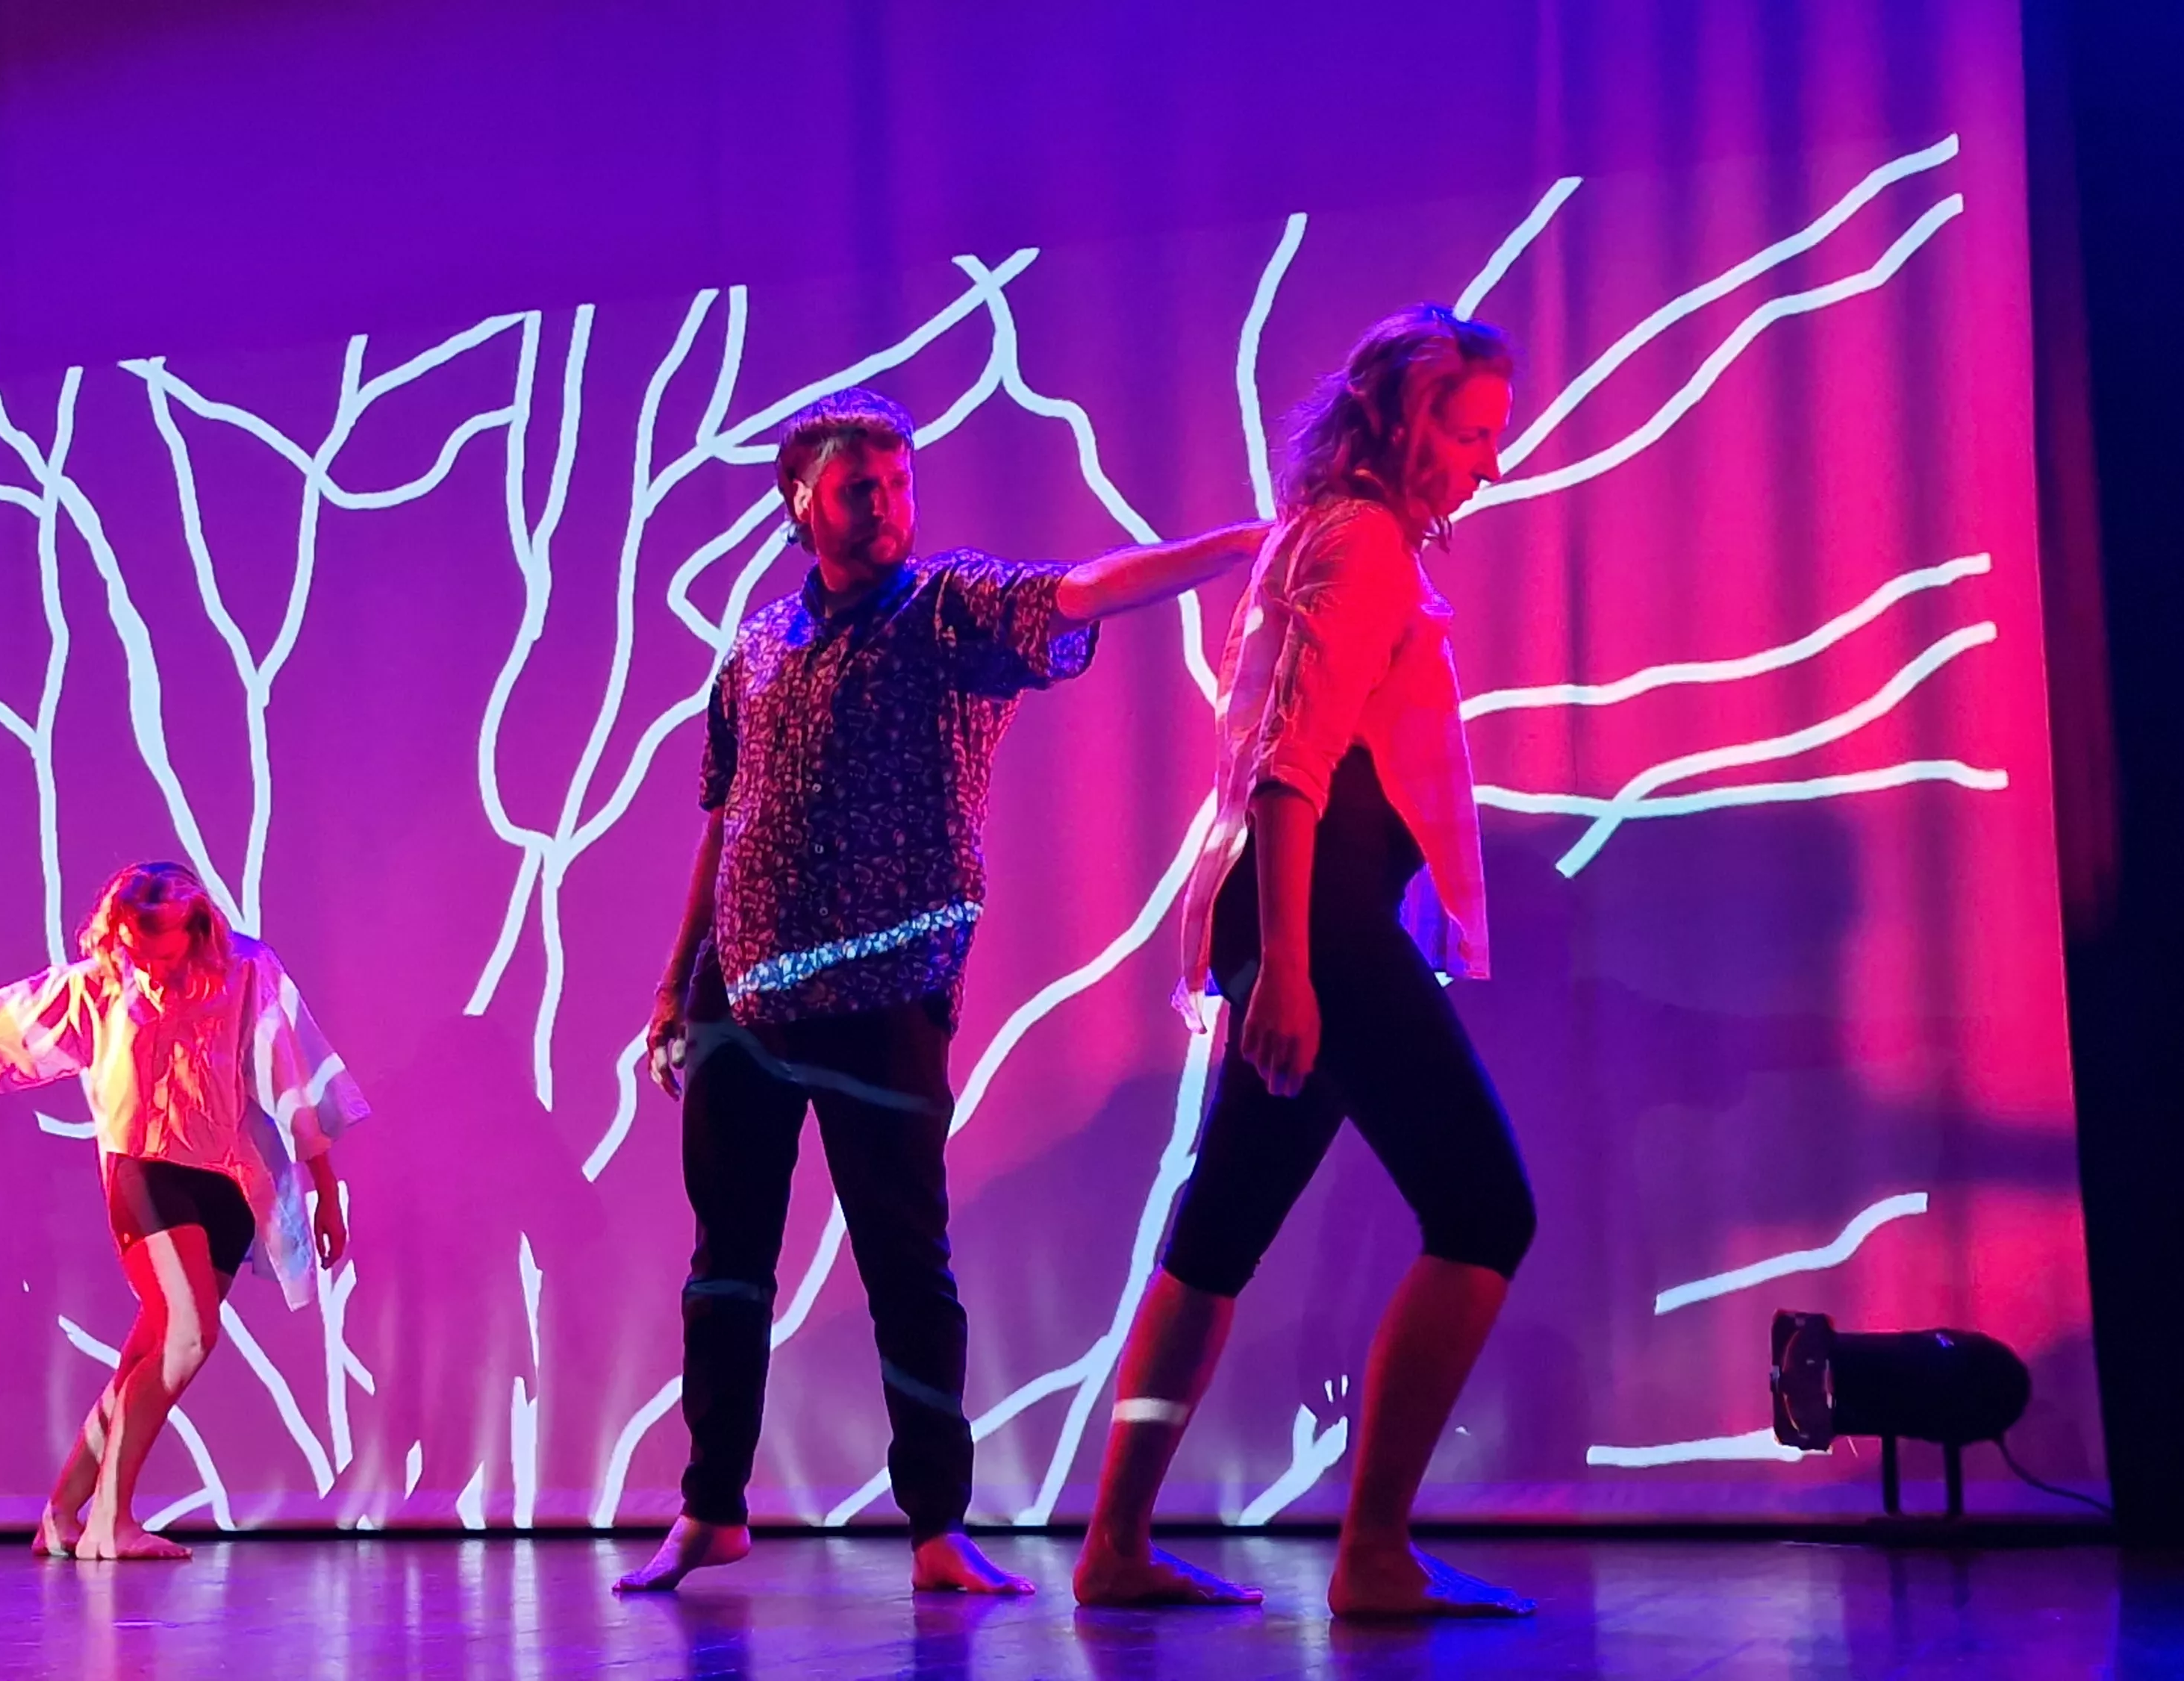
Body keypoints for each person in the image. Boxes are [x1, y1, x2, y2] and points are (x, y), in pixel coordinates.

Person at [615, 388, 1270, 1595]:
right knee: (726, 1267)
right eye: (859, 488)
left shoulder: (947, 611)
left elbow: (1076, 593)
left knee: (906, 1266)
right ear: (801, 501)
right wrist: (673, 983)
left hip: (883, 998)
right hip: (738, 999)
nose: (886, 506)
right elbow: (727, 815)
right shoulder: (756, 645)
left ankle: (936, 1528)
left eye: (898, 484)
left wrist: (1231, 548)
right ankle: (712, 1509)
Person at [1071, 305, 1538, 1617]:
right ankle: (1375, 1551)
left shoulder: (1323, 534)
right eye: (1471, 433)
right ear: (1406, 424)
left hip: (1303, 918)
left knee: (1219, 1229)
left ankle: (1114, 1547)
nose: (1489, 462)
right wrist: (1289, 966)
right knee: (1485, 1212)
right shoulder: (1363, 542)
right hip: (1314, 921)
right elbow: (1291, 764)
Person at [0, 861, 364, 1561]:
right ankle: (111, 1519)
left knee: (147, 1355)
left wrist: (326, 1191)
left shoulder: (249, 970)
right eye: (137, 951)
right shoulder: (104, 980)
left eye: (163, 952)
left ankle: (62, 1513)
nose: (151, 969)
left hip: (227, 1180)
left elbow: (295, 1077)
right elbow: (1, 1012)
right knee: (187, 1339)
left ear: (196, 928)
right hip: (146, 1170)